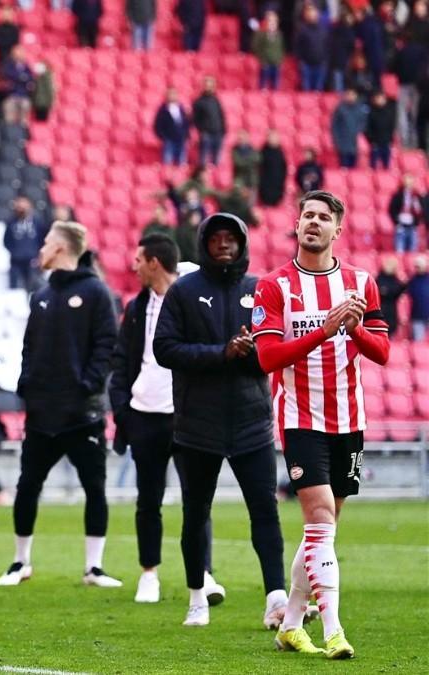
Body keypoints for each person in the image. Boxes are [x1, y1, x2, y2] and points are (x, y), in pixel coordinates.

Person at [253, 191, 390, 659]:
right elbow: (268, 357)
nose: (312, 222)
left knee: (322, 532)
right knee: (320, 521)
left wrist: (352, 328)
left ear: (338, 229)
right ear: (296, 225)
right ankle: (333, 631)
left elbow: (383, 353)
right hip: (300, 418)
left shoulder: (361, 282)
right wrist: (325, 330)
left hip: (349, 418)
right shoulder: (274, 286)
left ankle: (291, 623)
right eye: (306, 215)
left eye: (322, 217)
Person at [153, 213, 288, 629]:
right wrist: (219, 353)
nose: (224, 244)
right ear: (204, 244)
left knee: (265, 511)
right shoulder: (184, 291)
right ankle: (196, 597)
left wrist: (249, 353)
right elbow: (165, 349)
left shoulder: (260, 289)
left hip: (252, 423)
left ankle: (276, 601)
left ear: (243, 243)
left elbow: (276, 350)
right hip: (198, 426)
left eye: (232, 238)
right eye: (217, 239)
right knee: (195, 514)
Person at [0, 221, 120, 590]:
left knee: (94, 487)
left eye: (47, 242)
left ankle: (94, 568)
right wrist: (27, 384)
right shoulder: (42, 294)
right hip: (42, 413)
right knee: (28, 485)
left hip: (82, 413)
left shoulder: (97, 292)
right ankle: (20, 561)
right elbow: (30, 347)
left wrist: (87, 387)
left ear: (63, 248)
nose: (42, 248)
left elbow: (105, 346)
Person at [110, 233, 224, 605]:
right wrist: (123, 410)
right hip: (146, 415)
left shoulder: (192, 296)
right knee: (149, 498)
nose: (134, 266)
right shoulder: (138, 305)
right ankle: (149, 573)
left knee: (197, 500)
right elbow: (124, 359)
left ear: (154, 262)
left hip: (188, 413)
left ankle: (203, 574)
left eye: (139, 259)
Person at [4, 196, 46, 292]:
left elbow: (42, 239)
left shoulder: (37, 222)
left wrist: (38, 255)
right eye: (19, 206)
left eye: (24, 206)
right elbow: (6, 240)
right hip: (16, 260)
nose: (21, 209)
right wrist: (14, 252)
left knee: (33, 287)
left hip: (33, 260)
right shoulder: (11, 223)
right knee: (15, 288)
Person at [294, 4, 329, 91]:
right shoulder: (302, 30)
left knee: (318, 90)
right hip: (306, 64)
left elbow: (328, 46)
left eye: (314, 13)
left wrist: (325, 60)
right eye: (310, 13)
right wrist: (301, 60)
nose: (312, 15)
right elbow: (297, 46)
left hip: (320, 63)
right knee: (306, 91)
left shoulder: (323, 30)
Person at [192, 76, 225, 167]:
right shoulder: (199, 102)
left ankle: (216, 177)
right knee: (203, 159)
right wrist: (202, 131)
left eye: (211, 85)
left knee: (216, 160)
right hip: (206, 134)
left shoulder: (216, 100)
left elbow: (221, 115)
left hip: (218, 133)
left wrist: (223, 130)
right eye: (207, 85)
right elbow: (195, 119)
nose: (209, 87)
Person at [330, 89, 367, 169]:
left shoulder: (360, 108)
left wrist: (359, 132)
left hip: (355, 144)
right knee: (344, 168)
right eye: (349, 95)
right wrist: (337, 141)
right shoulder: (340, 109)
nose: (351, 97)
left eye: (353, 95)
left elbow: (363, 122)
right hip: (343, 144)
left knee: (353, 169)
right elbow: (334, 126)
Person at [154, 88, 190, 166]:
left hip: (181, 138)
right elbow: (157, 125)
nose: (172, 96)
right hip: (169, 140)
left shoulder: (181, 108)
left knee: (182, 163)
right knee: (167, 163)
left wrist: (186, 134)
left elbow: (186, 123)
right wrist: (164, 137)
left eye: (174, 94)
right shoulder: (162, 109)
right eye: (170, 94)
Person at [390, 174, 425, 253]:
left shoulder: (416, 195)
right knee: (399, 250)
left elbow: (420, 210)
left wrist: (417, 221)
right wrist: (396, 221)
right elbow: (392, 209)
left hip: (412, 226)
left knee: (413, 251)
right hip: (401, 226)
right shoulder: (398, 195)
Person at [252, 11, 284, 90]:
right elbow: (255, 47)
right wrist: (262, 59)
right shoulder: (261, 34)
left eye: (274, 21)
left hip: (276, 63)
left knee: (275, 85)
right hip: (265, 63)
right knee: (263, 85)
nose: (272, 23)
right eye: (270, 20)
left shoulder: (279, 35)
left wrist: (279, 60)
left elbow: (281, 48)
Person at [366, 92, 397, 169]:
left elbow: (391, 127)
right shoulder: (371, 113)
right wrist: (372, 140)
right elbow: (367, 129)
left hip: (386, 143)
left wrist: (390, 139)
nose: (380, 100)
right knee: (373, 166)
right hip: (375, 143)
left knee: (386, 165)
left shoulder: (389, 113)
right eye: (378, 99)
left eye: (382, 99)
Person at [376, 257, 406, 338]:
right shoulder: (379, 278)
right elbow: (380, 292)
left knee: (390, 334)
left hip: (391, 311)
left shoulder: (395, 279)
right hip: (381, 310)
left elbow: (396, 293)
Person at [258, 130, 287, 207]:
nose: (274, 140)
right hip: (265, 188)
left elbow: (284, 169)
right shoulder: (263, 152)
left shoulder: (280, 153)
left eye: (275, 138)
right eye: (272, 138)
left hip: (277, 188)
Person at [409, 256, 429, 341]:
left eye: (419, 266)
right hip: (417, 316)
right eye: (416, 266)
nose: (417, 268)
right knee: (418, 343)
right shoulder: (412, 280)